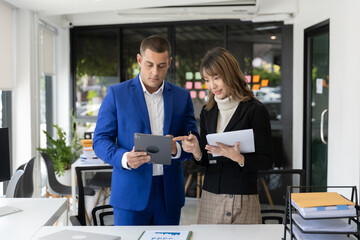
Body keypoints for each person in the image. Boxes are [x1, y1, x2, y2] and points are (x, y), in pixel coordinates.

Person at [93, 35, 198, 226]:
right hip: (130, 193)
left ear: (169, 63)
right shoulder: (117, 94)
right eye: (149, 65)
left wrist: (178, 149)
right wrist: (124, 158)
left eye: (161, 66)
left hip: (169, 194)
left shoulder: (182, 97)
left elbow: (192, 138)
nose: (155, 72)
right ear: (139, 60)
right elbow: (100, 140)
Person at [174, 47, 273, 224]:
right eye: (207, 80)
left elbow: (267, 160)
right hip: (210, 195)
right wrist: (197, 151)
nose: (212, 86)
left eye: (217, 78)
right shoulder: (207, 112)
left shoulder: (255, 110)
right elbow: (206, 160)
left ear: (230, 74)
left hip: (243, 196)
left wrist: (240, 158)